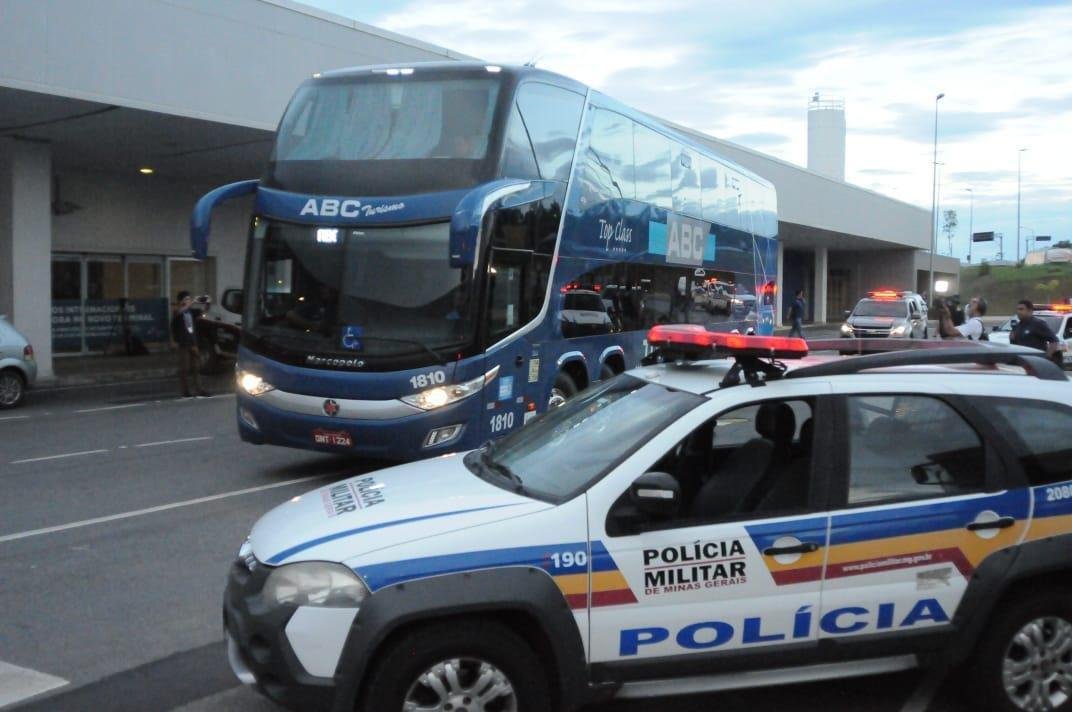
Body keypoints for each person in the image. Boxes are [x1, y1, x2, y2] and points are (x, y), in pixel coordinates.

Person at [171, 291, 209, 398]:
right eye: (186, 299)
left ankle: (199, 389)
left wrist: (207, 302)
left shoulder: (192, 312)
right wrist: (192, 302)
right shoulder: (177, 312)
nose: (188, 301)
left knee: (196, 367)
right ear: (181, 301)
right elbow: (180, 311)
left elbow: (204, 312)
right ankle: (185, 391)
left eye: (189, 298)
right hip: (183, 343)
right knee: (184, 368)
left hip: (193, 342)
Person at [1010, 299, 1061, 364]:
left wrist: (1046, 358)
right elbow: (1016, 345)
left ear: (1030, 311)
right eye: (1017, 309)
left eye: (1021, 309)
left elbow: (1054, 342)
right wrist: (1012, 339)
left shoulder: (1038, 324)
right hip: (1022, 363)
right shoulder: (1017, 326)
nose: (1018, 312)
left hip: (1036, 363)